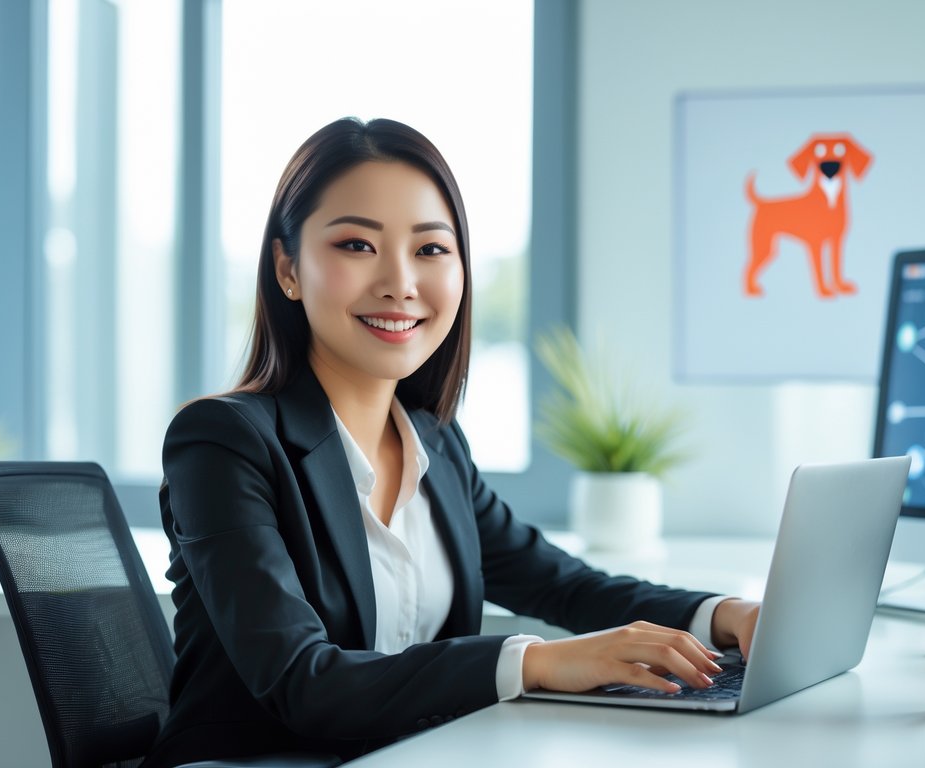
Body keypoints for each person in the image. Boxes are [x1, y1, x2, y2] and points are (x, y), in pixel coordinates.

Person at [144, 117, 761, 767]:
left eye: (431, 249)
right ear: (287, 268)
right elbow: (305, 681)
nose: (399, 282)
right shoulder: (222, 442)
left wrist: (727, 616)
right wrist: (536, 662)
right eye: (356, 245)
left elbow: (565, 587)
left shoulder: (433, 444)